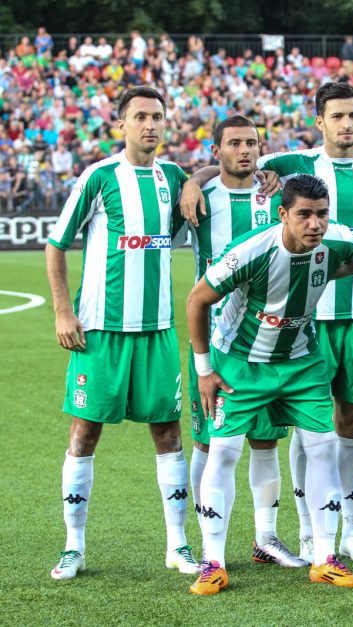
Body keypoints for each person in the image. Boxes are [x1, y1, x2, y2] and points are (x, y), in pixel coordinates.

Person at [202, 82, 353, 560]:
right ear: (320, 120)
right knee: (296, 429)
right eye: (337, 115)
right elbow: (236, 161)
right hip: (304, 326)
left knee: (349, 423)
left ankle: (352, 531)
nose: (347, 123)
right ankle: (304, 532)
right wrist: (196, 178)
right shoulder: (295, 165)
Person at [186, 175, 353, 594]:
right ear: (283, 214)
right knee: (226, 452)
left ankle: (324, 557)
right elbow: (197, 300)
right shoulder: (251, 251)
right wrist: (203, 370)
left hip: (301, 363)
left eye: (322, 214)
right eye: (304, 214)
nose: (315, 224)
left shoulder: (334, 244)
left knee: (323, 450)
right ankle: (212, 562)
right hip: (240, 365)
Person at [46, 86, 197, 580]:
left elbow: (220, 178)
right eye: (139, 117)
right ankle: (74, 547)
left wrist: (198, 177)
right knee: (85, 432)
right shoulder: (99, 176)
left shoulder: (173, 177)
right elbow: (57, 244)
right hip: (101, 333)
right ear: (121, 125)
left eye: (157, 116)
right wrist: (64, 312)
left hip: (155, 331)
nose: (149, 125)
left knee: (169, 434)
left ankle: (178, 545)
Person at [185, 115, 305, 569]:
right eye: (234, 143)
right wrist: (194, 180)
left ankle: (266, 538)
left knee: (265, 442)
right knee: (208, 442)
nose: (245, 151)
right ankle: (204, 545)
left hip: (269, 341)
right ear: (216, 151)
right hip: (216, 343)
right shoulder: (199, 198)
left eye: (252, 143)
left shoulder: (275, 194)